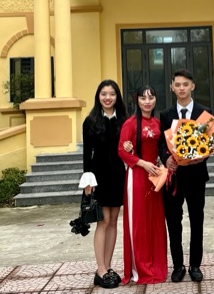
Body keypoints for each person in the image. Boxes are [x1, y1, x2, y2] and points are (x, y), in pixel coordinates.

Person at [159, 69, 211, 283]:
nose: (182, 88)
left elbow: (211, 142)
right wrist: (166, 159)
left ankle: (195, 265)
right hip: (174, 177)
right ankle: (178, 265)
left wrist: (204, 155)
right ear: (172, 87)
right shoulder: (165, 114)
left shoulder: (204, 113)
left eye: (185, 84)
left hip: (196, 175)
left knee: (197, 220)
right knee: (173, 222)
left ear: (192, 86)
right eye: (178, 84)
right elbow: (162, 144)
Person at [118, 85, 168, 285]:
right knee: (139, 223)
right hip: (137, 176)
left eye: (151, 97)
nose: (147, 101)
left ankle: (157, 266)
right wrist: (142, 163)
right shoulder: (130, 124)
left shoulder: (157, 123)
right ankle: (139, 269)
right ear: (137, 101)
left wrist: (161, 164)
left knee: (155, 222)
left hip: (154, 177)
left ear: (155, 100)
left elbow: (163, 148)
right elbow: (122, 151)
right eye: (143, 98)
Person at [82, 79, 128, 289]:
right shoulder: (90, 121)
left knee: (114, 221)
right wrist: (88, 181)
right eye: (104, 94)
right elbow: (87, 154)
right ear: (98, 97)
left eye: (112, 94)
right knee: (103, 221)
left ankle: (108, 267)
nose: (108, 98)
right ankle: (100, 269)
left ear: (117, 97)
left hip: (118, 175)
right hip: (98, 177)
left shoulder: (124, 120)